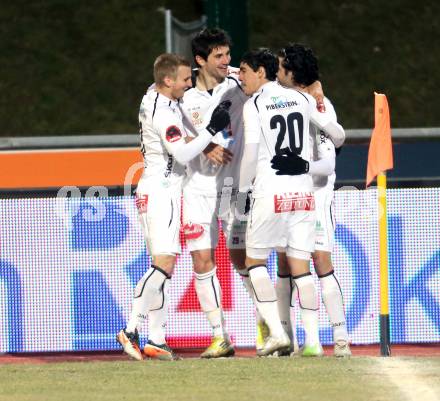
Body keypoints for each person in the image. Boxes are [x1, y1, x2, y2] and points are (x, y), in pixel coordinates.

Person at [180, 28, 326, 357]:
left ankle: (270, 325)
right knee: (202, 260)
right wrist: (203, 147)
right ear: (200, 60)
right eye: (218, 56)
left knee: (244, 259)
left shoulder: (239, 79)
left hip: (238, 185)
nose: (227, 61)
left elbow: (278, 78)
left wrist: (314, 89)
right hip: (200, 188)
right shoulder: (183, 94)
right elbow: (165, 128)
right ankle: (221, 336)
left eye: (228, 55)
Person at [116, 53, 231, 361]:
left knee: (161, 265)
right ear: (168, 81)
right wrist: (210, 132)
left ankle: (155, 338)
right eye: (183, 79)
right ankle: (131, 329)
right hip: (162, 190)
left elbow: (174, 83)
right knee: (164, 265)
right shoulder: (164, 112)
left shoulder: (153, 94)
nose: (188, 83)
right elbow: (181, 155)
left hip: (150, 189)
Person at [237, 48, 345, 357]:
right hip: (303, 195)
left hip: (271, 192)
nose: (242, 76)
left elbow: (250, 153)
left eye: (245, 71)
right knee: (301, 267)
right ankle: (313, 341)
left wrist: (243, 192)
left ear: (262, 72)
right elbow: (337, 135)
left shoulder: (255, 103)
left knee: (254, 262)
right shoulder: (303, 99)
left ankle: (279, 334)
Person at [273, 43, 351, 357]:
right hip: (287, 194)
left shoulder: (320, 107)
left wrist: (301, 168)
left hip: (316, 195)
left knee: (320, 260)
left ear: (292, 74)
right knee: (284, 263)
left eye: (280, 68)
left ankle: (341, 338)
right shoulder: (279, 100)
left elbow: (328, 162)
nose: (275, 73)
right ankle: (286, 339)